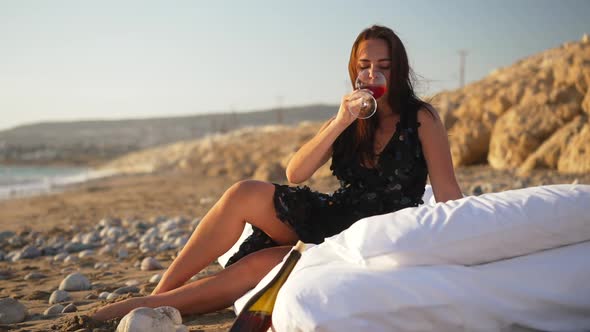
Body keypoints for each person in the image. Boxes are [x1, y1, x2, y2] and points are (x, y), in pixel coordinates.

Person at [92, 24, 463, 321]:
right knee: (243, 193)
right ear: (354, 69)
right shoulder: (351, 116)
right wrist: (339, 121)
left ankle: (144, 310)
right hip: (334, 215)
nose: (372, 74)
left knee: (259, 265)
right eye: (364, 66)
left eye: (383, 66)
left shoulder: (422, 119)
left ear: (398, 69)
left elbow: (447, 191)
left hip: (372, 234)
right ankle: (158, 296)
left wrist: (463, 247)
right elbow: (296, 172)